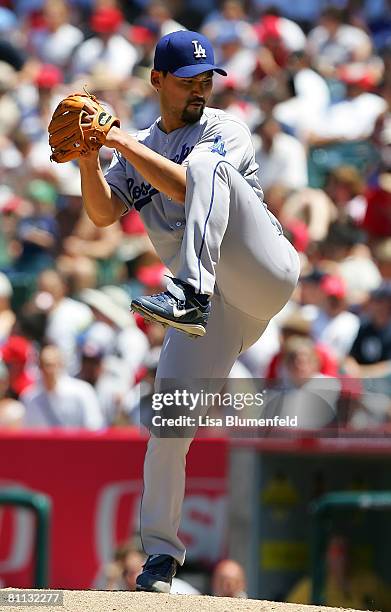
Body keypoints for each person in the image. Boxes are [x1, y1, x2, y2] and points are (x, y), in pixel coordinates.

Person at [77, 29, 300, 592]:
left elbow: (183, 186)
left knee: (209, 169)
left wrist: (120, 143)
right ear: (157, 80)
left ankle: (190, 291)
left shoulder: (224, 126)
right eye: (188, 80)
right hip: (215, 313)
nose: (201, 88)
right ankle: (159, 559)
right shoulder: (142, 143)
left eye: (207, 79)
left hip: (260, 270)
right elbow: (104, 215)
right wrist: (88, 159)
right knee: (169, 424)